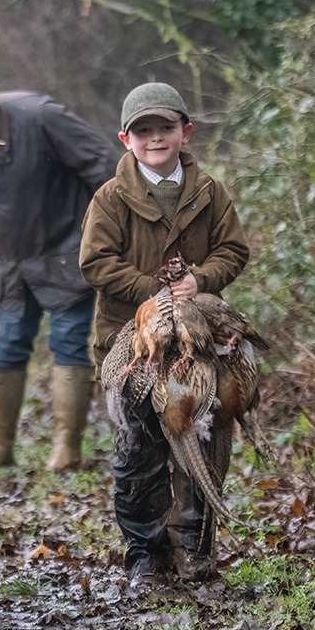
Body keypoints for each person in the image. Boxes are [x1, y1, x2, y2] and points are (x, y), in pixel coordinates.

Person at [78, 82, 250, 588]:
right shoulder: (110, 198)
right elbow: (95, 263)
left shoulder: (210, 191)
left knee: (203, 434)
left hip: (199, 339)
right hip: (128, 338)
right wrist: (151, 294)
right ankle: (146, 557)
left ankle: (195, 546)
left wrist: (202, 280)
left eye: (165, 128)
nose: (155, 138)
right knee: (141, 445)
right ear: (125, 138)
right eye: (143, 130)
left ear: (185, 132)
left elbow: (233, 250)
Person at [0, 87, 117, 473]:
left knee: (68, 343)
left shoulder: (39, 117)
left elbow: (105, 165)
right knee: (6, 346)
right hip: (11, 262)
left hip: (67, 249)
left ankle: (67, 449)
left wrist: (104, 233)